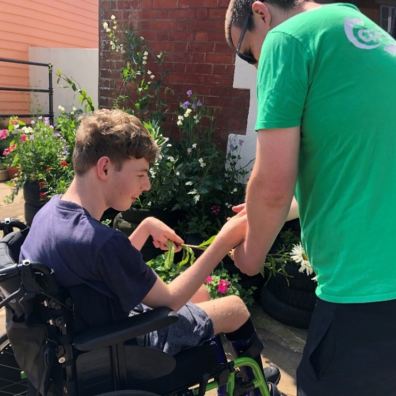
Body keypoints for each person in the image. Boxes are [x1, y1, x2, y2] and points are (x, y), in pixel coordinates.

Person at [20, 109, 280, 392]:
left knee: (203, 295)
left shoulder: (51, 213)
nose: (147, 185)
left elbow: (100, 268)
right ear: (105, 168)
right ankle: (253, 384)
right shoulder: (102, 242)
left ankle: (228, 368)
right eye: (141, 174)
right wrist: (223, 241)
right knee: (234, 308)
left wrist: (143, 228)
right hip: (124, 352)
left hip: (83, 340)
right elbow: (169, 300)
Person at [225, 0, 396, 395]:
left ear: (261, 13)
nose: (255, 65)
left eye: (247, 52)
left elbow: (271, 184)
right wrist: (281, 213)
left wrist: (251, 255)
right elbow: (358, 170)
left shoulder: (287, 39)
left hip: (364, 294)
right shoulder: (367, 33)